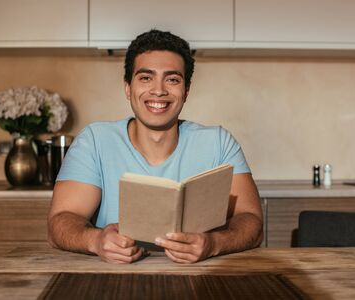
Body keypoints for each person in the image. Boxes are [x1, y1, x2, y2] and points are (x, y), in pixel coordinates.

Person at [47, 29, 263, 264]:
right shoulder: (94, 141)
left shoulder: (219, 143)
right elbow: (61, 220)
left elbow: (251, 220)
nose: (159, 90)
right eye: (146, 77)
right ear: (128, 88)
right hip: (112, 280)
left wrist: (214, 244)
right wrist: (95, 240)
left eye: (172, 79)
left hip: (200, 280)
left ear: (186, 91)